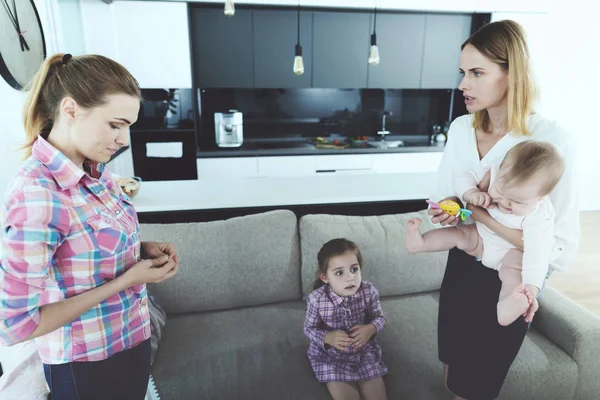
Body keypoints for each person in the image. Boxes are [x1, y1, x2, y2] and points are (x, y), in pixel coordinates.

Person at [0, 53, 180, 400]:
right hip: (88, 364)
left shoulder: (97, 173)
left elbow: (78, 250)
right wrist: (129, 280)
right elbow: (16, 325)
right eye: (115, 124)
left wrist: (141, 250)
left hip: (131, 339)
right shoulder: (36, 193)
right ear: (70, 110)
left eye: (128, 125)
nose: (124, 139)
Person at [430, 20, 579, 400]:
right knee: (452, 371)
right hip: (463, 262)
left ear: (513, 73)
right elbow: (447, 197)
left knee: (477, 385)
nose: (463, 84)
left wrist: (479, 216)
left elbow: (556, 238)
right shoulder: (461, 129)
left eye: (477, 73)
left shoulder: (549, 140)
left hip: (509, 278)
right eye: (463, 73)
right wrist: (448, 210)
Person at [406, 140, 565, 326]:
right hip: (481, 236)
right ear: (499, 170)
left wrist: (531, 288)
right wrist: (470, 191)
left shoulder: (540, 215)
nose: (505, 203)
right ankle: (421, 242)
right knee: (458, 234)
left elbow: (537, 255)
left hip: (508, 253)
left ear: (541, 198)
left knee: (514, 273)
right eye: (501, 192)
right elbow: (463, 176)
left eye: (518, 202)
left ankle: (508, 307)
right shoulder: (493, 171)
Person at [303, 238, 388, 400]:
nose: (350, 278)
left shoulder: (368, 291)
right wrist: (328, 337)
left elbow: (379, 317)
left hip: (363, 351)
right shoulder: (317, 299)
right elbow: (308, 328)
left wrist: (370, 328)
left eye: (354, 269)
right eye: (339, 273)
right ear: (325, 277)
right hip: (331, 356)